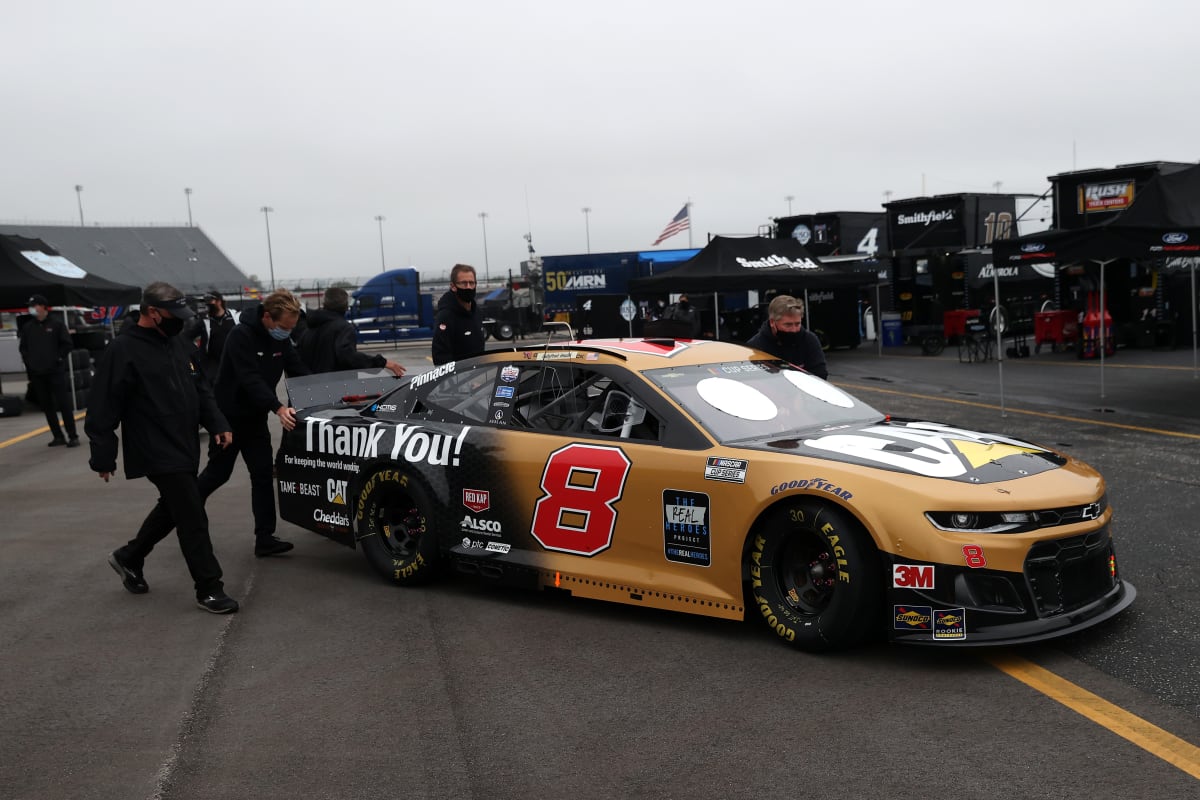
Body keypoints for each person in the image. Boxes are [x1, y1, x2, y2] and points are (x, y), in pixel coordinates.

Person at [84, 282, 238, 614]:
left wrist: (219, 424)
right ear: (152, 312)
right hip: (153, 445)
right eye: (174, 314)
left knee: (175, 506)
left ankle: (129, 557)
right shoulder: (122, 350)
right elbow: (103, 405)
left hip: (184, 443)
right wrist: (103, 454)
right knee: (191, 513)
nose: (180, 321)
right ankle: (209, 587)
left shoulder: (180, 343)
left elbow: (201, 389)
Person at [202, 290, 310, 556]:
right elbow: (249, 378)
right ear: (267, 317)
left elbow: (297, 370)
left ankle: (265, 538)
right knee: (217, 474)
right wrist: (278, 407)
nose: (288, 333)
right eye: (284, 327)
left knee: (262, 475)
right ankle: (180, 513)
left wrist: (322, 393)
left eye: (292, 328)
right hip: (227, 418)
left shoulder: (282, 339)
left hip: (254, 418)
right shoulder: (241, 336)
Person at [297, 287, 406, 376]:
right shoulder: (343, 328)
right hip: (334, 391)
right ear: (345, 306)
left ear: (324, 303)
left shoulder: (308, 326)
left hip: (308, 391)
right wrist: (382, 362)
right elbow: (347, 355)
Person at [18, 294, 80, 447]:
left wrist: (58, 359)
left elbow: (67, 345)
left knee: (63, 404)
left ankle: (73, 436)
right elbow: (23, 348)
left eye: (34, 305)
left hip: (55, 372)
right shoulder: (28, 327)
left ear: (42, 306)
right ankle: (57, 436)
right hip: (38, 373)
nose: (31, 308)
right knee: (47, 406)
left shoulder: (57, 324)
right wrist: (29, 363)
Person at [746, 295, 828, 379]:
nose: (794, 329)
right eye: (788, 325)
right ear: (772, 322)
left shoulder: (809, 340)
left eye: (797, 324)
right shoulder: (755, 348)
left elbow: (820, 375)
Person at [432, 263, 486, 365]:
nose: (469, 287)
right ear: (453, 286)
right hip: (458, 378)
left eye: (472, 283)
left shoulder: (477, 312)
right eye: (464, 283)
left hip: (479, 376)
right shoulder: (446, 316)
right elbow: (441, 357)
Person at [188, 290, 240, 380]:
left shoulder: (235, 317)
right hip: (213, 366)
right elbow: (187, 336)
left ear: (219, 301)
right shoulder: (204, 321)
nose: (207, 304)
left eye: (210, 300)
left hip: (234, 363)